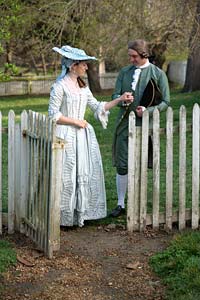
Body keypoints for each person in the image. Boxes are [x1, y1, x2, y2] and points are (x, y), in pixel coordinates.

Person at [48, 45, 133, 227]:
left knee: (83, 172)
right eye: (84, 64)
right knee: (67, 174)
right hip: (65, 135)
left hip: (83, 137)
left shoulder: (82, 87)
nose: (86, 67)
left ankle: (80, 212)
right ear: (73, 66)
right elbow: (53, 115)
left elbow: (97, 107)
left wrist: (119, 100)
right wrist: (76, 122)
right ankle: (64, 216)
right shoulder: (59, 87)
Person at [110, 39, 170, 217]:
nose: (131, 60)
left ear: (144, 55)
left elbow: (166, 101)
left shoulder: (158, 74)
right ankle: (120, 204)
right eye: (130, 56)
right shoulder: (124, 72)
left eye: (134, 56)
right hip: (124, 124)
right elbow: (115, 94)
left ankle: (139, 203)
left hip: (146, 127)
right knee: (122, 165)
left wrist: (148, 110)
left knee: (142, 164)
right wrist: (122, 98)